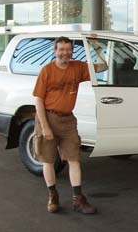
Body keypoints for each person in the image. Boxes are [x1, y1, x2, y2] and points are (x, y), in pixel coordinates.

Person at [32, 36, 107, 214]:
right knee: (48, 161)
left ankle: (78, 199)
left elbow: (104, 66)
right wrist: (45, 127)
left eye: (68, 49)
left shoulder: (78, 67)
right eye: (61, 49)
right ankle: (52, 195)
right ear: (55, 51)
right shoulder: (47, 71)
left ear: (72, 50)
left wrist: (96, 48)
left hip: (68, 121)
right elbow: (38, 100)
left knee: (74, 159)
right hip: (48, 118)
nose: (65, 53)